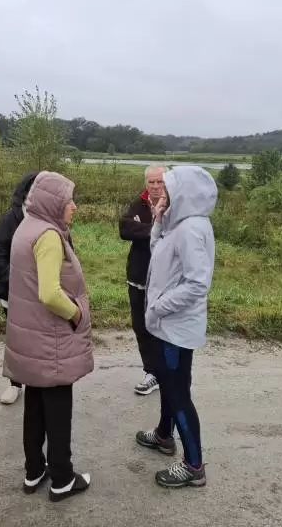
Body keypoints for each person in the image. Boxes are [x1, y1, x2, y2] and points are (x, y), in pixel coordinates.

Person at [4, 171, 93, 502]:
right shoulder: (49, 236)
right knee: (58, 411)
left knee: (35, 407)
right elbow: (49, 293)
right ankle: (62, 479)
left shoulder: (26, 226)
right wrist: (76, 313)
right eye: (70, 200)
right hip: (50, 339)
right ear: (54, 203)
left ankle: (33, 471)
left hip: (31, 337)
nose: (74, 206)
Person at [134, 165, 217, 489]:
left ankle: (194, 465)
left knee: (178, 392)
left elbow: (197, 284)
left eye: (167, 188)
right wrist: (158, 219)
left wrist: (158, 307)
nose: (161, 194)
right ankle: (164, 435)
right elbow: (158, 253)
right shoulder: (180, 224)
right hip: (168, 324)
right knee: (170, 384)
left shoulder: (191, 229)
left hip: (175, 327)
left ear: (185, 193)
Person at [0, 172, 38, 405]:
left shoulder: (55, 220)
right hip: (14, 294)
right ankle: (15, 384)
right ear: (25, 193)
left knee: (42, 341)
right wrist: (20, 281)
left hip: (46, 295)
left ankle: (39, 382)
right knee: (17, 342)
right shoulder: (10, 219)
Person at [119, 164, 166, 395]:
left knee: (162, 325)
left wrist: (143, 229)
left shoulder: (175, 204)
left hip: (165, 278)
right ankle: (151, 372)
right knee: (140, 325)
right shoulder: (138, 203)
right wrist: (155, 229)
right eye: (151, 182)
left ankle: (166, 370)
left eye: (160, 181)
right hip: (138, 275)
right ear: (146, 182)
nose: (155, 186)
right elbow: (124, 229)